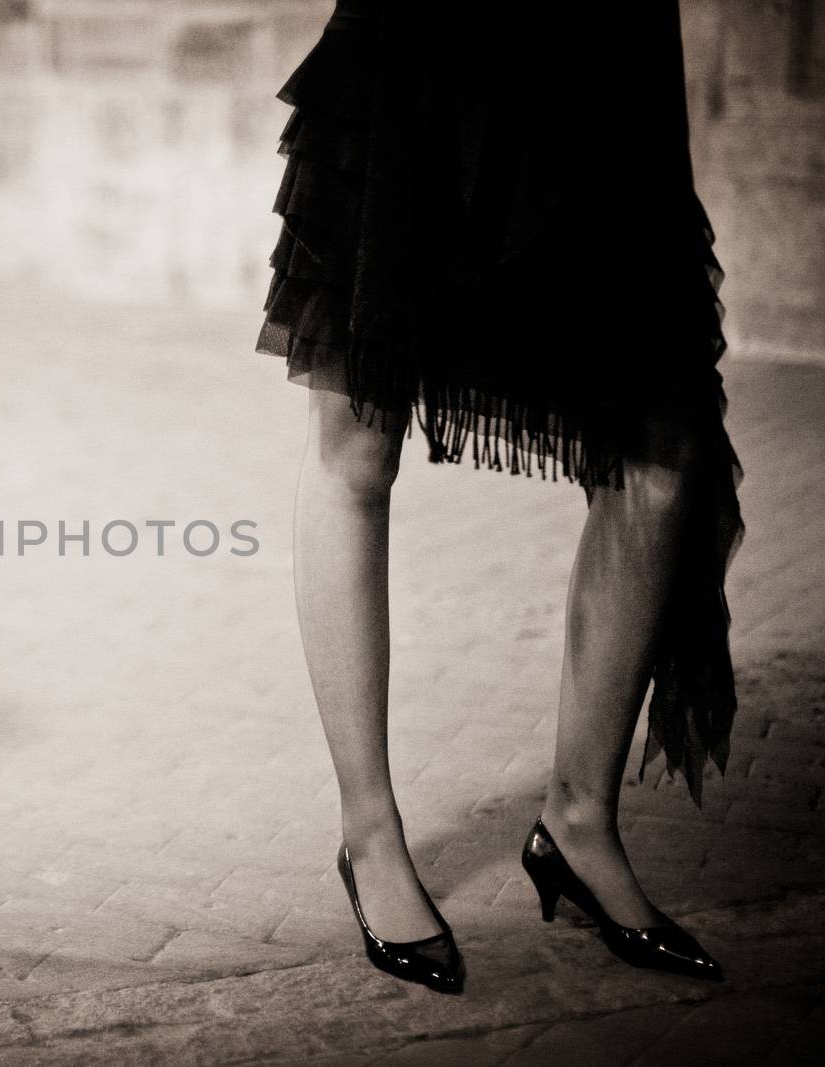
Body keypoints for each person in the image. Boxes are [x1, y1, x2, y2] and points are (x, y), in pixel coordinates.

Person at [257, 0, 744, 994]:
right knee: (358, 445)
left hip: (601, 74)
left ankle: (577, 821)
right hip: (420, 54)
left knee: (661, 452)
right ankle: (370, 830)